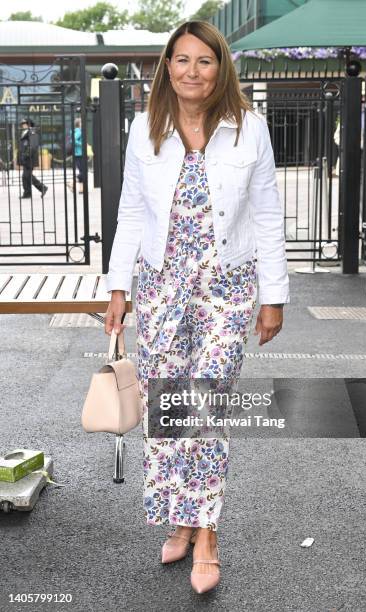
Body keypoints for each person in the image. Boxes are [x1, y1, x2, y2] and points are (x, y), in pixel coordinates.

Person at [104, 20, 289, 594]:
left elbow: (267, 214)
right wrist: (118, 288)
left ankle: (206, 533)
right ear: (167, 68)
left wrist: (273, 295)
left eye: (204, 61)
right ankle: (181, 519)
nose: (192, 71)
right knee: (170, 407)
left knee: (205, 401)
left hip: (227, 288)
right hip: (161, 285)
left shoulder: (248, 129)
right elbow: (131, 211)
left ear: (221, 68)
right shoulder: (145, 128)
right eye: (181, 60)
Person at [18, 119, 47, 199]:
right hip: (25, 158)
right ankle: (27, 193)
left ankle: (42, 187)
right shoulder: (25, 132)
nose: (22, 125)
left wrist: (26, 155)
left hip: (29, 158)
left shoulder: (32, 132)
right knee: (25, 176)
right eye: (22, 124)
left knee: (27, 175)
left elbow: (33, 146)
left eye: (24, 123)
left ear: (28, 124)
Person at [67, 117, 84, 194]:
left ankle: (81, 189)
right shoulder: (79, 131)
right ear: (79, 124)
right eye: (81, 123)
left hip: (77, 153)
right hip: (79, 153)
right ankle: (71, 183)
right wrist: (82, 144)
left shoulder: (75, 131)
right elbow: (73, 140)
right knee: (83, 171)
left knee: (81, 171)